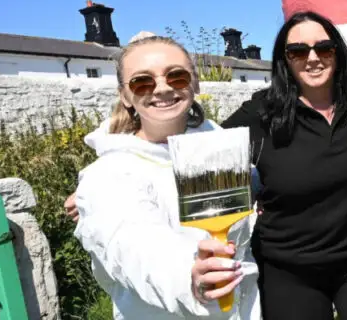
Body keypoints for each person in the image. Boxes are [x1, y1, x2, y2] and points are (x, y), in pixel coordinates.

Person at [220, 10, 347, 320]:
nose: (313, 58)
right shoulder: (261, 114)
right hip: (288, 269)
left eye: (324, 48)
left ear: (337, 52)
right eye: (298, 51)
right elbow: (203, 152)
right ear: (284, 59)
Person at [72, 34, 261, 319]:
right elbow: (133, 244)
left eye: (176, 76)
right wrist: (189, 276)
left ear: (194, 83)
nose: (161, 88)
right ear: (125, 95)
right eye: (142, 82)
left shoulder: (220, 149)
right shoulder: (108, 175)